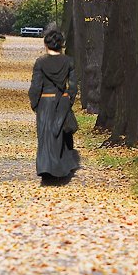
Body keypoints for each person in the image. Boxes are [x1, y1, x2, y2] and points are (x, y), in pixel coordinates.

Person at [28, 28, 80, 184]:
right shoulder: (68, 61)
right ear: (61, 45)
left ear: (46, 44)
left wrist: (35, 103)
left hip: (45, 101)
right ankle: (62, 168)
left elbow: (36, 86)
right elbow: (73, 86)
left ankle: (47, 169)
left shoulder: (40, 62)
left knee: (45, 136)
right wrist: (68, 100)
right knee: (62, 134)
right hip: (62, 101)